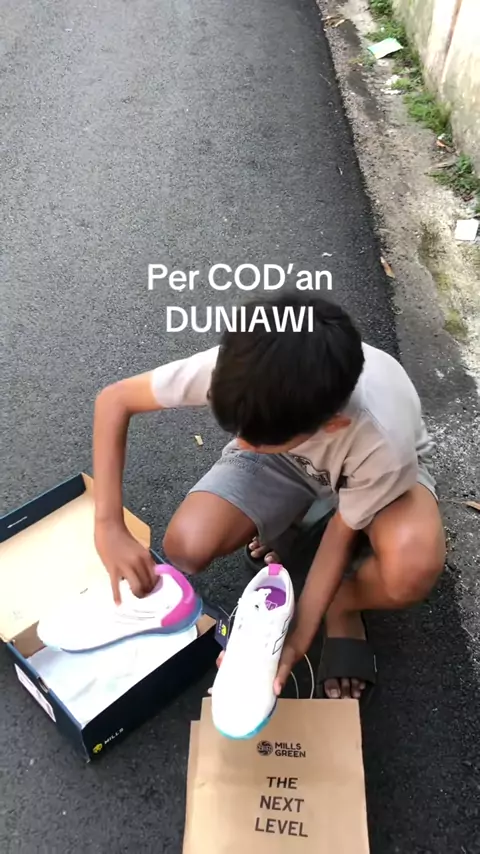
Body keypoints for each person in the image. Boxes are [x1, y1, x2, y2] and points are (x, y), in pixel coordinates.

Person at [93, 293, 445, 701]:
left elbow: (340, 534)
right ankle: (291, 517)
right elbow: (115, 400)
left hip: (382, 478)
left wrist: (296, 639)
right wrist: (109, 524)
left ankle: (344, 604)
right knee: (187, 546)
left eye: (252, 440)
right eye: (238, 431)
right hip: (287, 455)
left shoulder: (383, 437)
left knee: (412, 565)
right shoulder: (246, 372)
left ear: (332, 425)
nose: (240, 443)